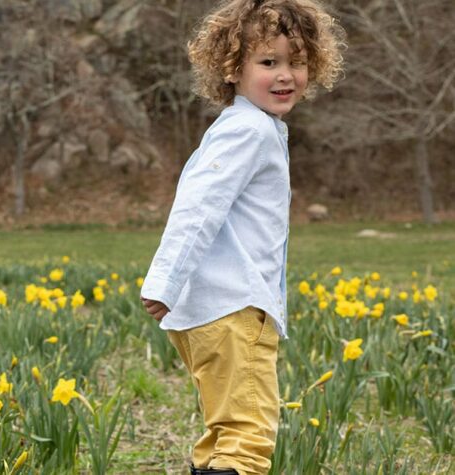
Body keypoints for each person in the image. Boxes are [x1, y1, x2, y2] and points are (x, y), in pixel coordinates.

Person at [139, 1, 344, 474]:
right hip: (232, 309)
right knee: (248, 437)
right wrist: (164, 280)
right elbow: (198, 205)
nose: (285, 74)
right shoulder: (249, 131)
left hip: (214, 308)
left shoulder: (249, 127)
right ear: (232, 69)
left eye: (297, 61)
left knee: (224, 432)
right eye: (268, 62)